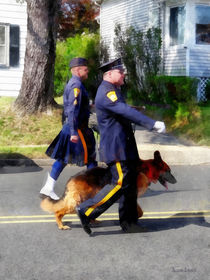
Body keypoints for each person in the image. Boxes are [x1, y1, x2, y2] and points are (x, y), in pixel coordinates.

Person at [76, 58, 166, 234]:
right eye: (121, 71)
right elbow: (123, 110)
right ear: (109, 74)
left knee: (130, 185)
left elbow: (123, 110)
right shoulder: (107, 92)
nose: (124, 74)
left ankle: (129, 222)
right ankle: (86, 210)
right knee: (119, 183)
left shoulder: (114, 90)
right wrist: (152, 123)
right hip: (116, 149)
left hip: (125, 148)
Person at [40, 57, 97, 200]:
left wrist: (88, 107)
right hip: (76, 129)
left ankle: (48, 188)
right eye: (85, 69)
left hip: (72, 127)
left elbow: (76, 106)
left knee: (63, 158)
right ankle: (94, 190)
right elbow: (72, 109)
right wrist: (73, 132)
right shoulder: (76, 85)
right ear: (77, 70)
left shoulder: (75, 84)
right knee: (90, 158)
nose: (87, 71)